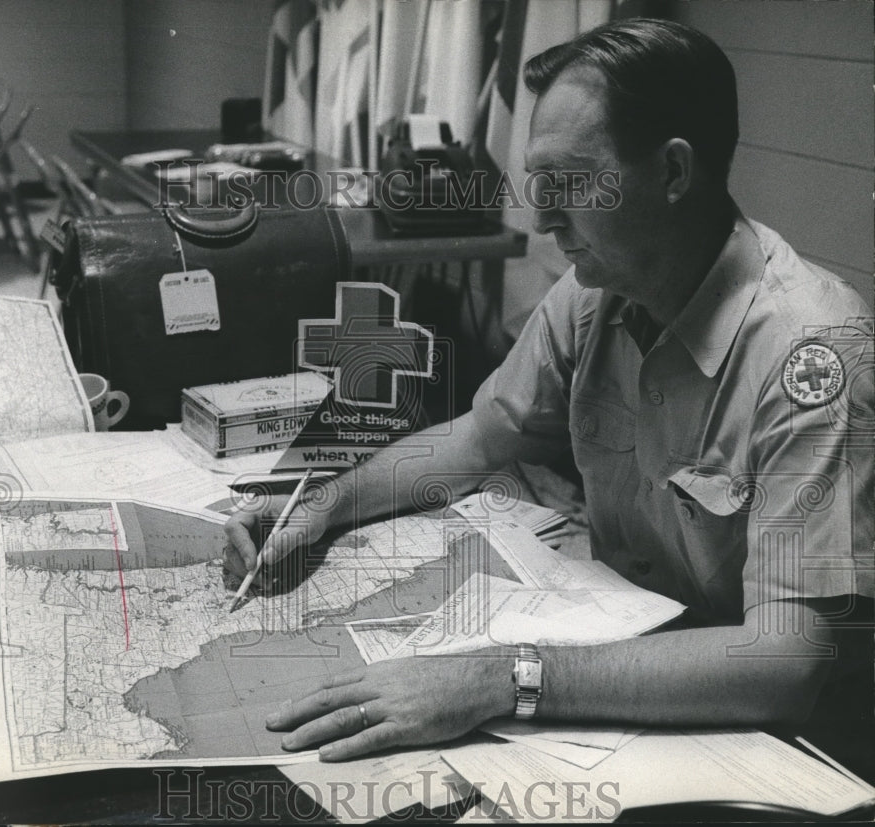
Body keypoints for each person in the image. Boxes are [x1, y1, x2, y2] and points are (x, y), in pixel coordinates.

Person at [225, 18, 873, 763]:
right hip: (625, 680)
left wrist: (506, 679)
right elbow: (476, 440)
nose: (540, 217)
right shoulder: (596, 291)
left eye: (568, 184)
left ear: (672, 172)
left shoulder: (817, 355)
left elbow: (782, 664)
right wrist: (326, 501)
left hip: (784, 748)